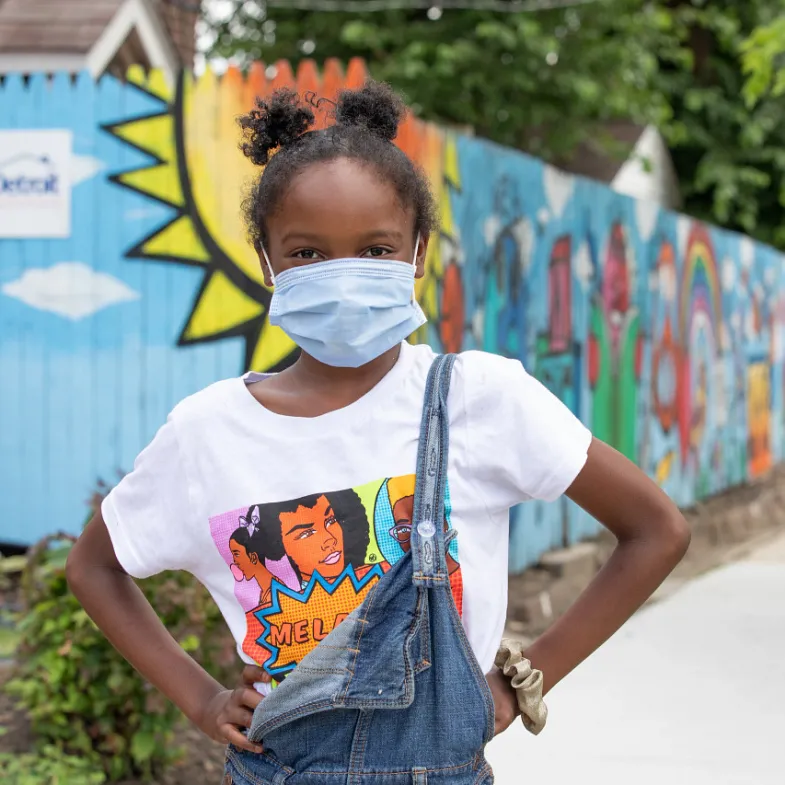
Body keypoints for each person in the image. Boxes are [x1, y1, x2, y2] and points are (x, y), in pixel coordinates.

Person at [66, 81, 690, 782]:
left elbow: (655, 528)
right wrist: (199, 697)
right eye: (306, 253)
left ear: (418, 252)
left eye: (375, 249)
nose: (342, 275)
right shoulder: (206, 431)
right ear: (265, 259)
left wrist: (523, 681)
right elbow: (94, 566)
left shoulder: (479, 398)